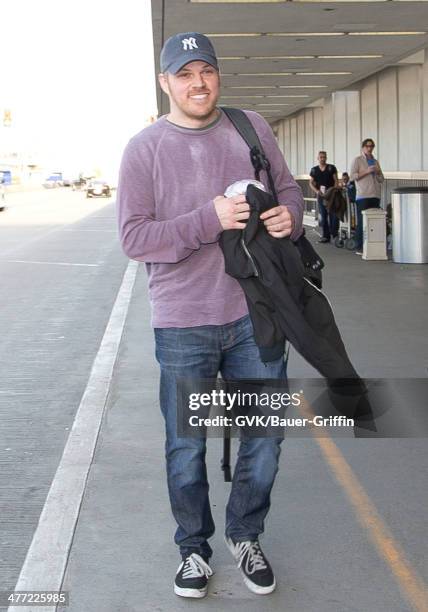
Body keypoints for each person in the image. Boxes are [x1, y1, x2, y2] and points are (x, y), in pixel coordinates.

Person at [117, 32, 304, 599]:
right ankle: (193, 548)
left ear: (218, 75)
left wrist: (287, 219)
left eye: (207, 71)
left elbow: (290, 190)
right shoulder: (144, 148)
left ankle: (244, 534)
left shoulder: (251, 128)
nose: (198, 83)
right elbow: (134, 237)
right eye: (185, 73)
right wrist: (208, 218)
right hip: (183, 322)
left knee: (266, 435)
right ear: (165, 82)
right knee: (186, 443)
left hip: (258, 313)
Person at [350, 138, 384, 255]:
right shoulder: (357, 160)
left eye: (372, 146)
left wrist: (378, 172)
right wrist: (367, 171)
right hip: (363, 195)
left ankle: (372, 246)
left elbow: (381, 179)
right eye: (367, 146)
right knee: (362, 221)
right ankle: (359, 246)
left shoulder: (375, 161)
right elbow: (352, 176)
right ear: (363, 147)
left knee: (373, 221)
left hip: (375, 194)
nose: (370, 148)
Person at [309, 151, 339, 243]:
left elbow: (336, 180)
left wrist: (334, 190)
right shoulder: (314, 170)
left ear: (326, 158)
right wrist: (317, 191)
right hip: (321, 195)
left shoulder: (331, 168)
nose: (322, 159)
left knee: (333, 215)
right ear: (317, 158)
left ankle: (334, 234)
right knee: (323, 215)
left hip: (331, 195)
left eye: (324, 157)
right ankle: (325, 236)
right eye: (321, 157)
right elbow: (311, 183)